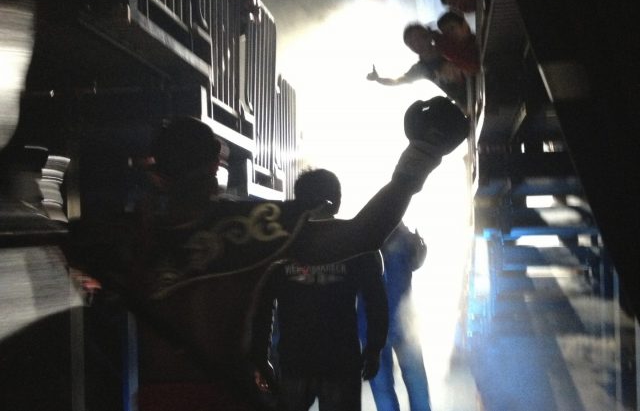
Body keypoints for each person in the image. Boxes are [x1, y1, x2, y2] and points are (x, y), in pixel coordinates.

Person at [69, 96, 470, 411]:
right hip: (229, 401)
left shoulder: (123, 237)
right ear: (215, 165)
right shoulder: (252, 227)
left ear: (156, 173)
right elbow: (362, 235)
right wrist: (421, 156)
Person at [251, 169, 389, 411]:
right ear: (337, 200)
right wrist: (374, 348)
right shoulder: (356, 241)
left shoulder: (280, 243)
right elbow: (376, 301)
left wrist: (260, 358)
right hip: (341, 362)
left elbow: (262, 306)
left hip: (294, 361)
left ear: (298, 200)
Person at [359, 222, 432, 411]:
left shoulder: (362, 242)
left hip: (371, 325)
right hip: (403, 323)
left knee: (382, 387)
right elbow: (418, 260)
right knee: (416, 382)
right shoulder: (404, 239)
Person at [367, 23, 468, 108]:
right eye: (411, 43)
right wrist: (378, 79)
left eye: (418, 38)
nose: (417, 44)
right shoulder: (420, 69)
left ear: (428, 36)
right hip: (465, 103)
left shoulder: (446, 44)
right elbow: (397, 81)